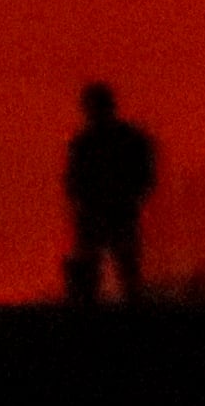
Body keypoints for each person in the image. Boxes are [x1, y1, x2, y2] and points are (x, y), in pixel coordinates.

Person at [62, 82, 160, 304]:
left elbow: (73, 180)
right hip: (114, 210)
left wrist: (82, 200)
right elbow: (146, 174)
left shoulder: (85, 143)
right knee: (120, 266)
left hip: (103, 211)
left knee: (111, 265)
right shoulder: (126, 139)